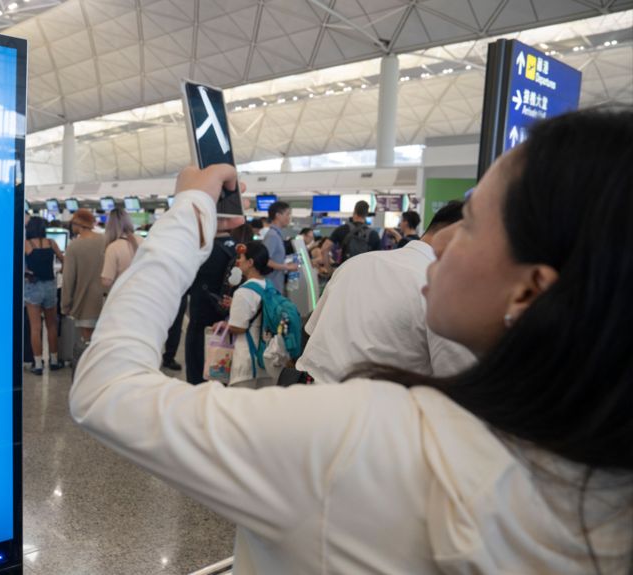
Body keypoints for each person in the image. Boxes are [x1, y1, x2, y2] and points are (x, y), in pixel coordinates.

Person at [70, 107, 633, 575]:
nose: (440, 241)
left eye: (475, 222)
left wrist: (187, 214)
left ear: (530, 291)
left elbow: (107, 389)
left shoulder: (366, 440)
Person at [297, 201, 474, 384]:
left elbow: (311, 331)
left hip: (310, 395)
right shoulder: (441, 289)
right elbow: (456, 381)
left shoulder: (354, 264)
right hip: (381, 407)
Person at [184, 230, 238, 384]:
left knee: (198, 363)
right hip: (227, 316)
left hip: (201, 314)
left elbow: (186, 283)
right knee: (221, 366)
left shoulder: (203, 250)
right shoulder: (238, 247)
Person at [222, 241, 273, 389]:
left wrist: (225, 325)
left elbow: (239, 328)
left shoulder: (243, 291)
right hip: (266, 359)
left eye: (241, 258)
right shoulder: (268, 286)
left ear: (250, 262)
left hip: (247, 362)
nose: (238, 261)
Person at [61, 208, 105, 355]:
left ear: (78, 224)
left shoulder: (74, 246)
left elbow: (68, 278)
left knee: (87, 344)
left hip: (84, 304)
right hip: (106, 302)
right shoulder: (105, 240)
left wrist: (65, 304)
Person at [23, 216, 64, 375]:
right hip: (50, 286)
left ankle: (38, 364)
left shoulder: (27, 244)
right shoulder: (51, 243)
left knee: (35, 327)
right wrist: (61, 271)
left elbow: (20, 266)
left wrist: (27, 273)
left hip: (33, 287)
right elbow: (63, 259)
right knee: (52, 325)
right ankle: (54, 361)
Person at [322, 200, 380, 267]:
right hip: (365, 272)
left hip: (346, 272)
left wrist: (330, 271)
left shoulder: (341, 230)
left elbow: (324, 249)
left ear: (354, 212)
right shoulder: (374, 234)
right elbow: (378, 259)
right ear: (366, 214)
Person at [100, 207, 142, 292]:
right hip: (141, 293)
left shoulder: (113, 247)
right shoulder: (142, 240)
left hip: (122, 296)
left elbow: (107, 281)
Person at [261, 201, 297, 292]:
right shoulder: (272, 236)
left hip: (275, 284)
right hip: (271, 286)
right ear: (278, 215)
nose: (289, 218)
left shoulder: (276, 235)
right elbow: (265, 260)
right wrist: (287, 267)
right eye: (287, 214)